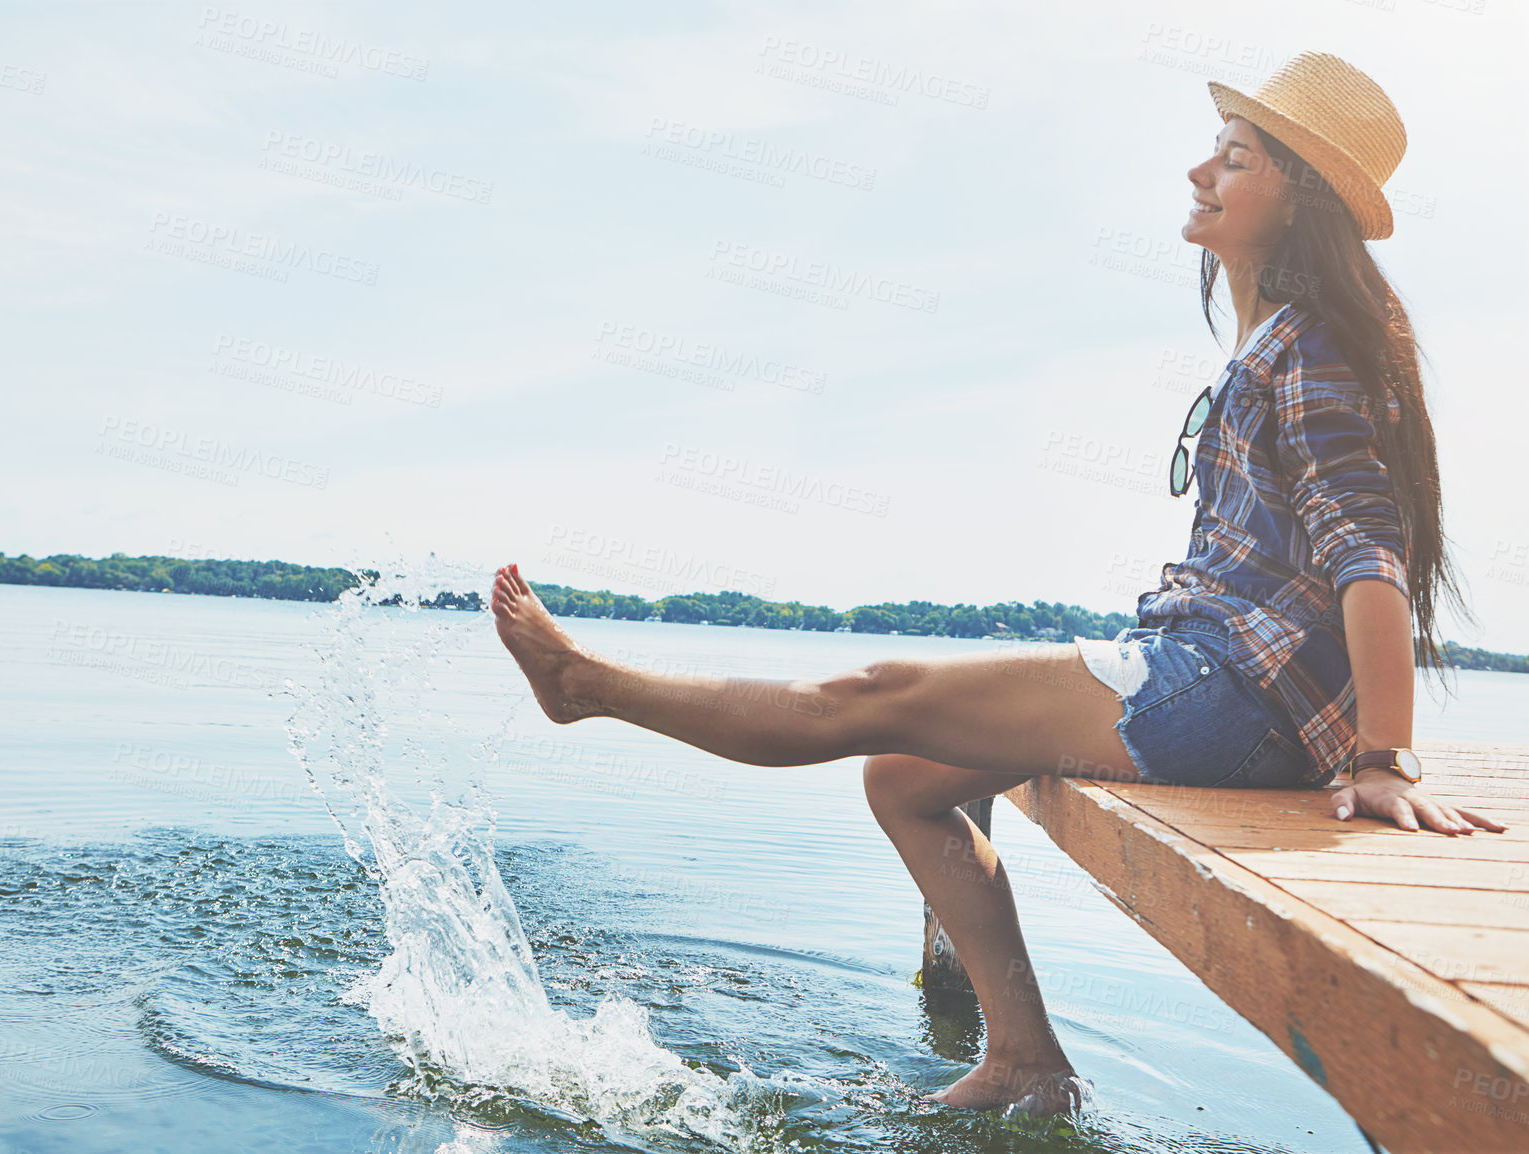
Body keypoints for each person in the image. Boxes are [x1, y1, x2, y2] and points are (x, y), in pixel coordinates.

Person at [489, 51, 1507, 1117]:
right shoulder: (1272, 342)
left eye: (1234, 157)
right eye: (1213, 148)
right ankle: (1023, 1057)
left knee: (871, 693)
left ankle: (584, 685)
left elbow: (1369, 553)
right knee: (902, 772)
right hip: (1209, 676)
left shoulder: (1315, 351)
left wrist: (1383, 758)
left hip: (1230, 697)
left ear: (1298, 197)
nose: (1199, 172)